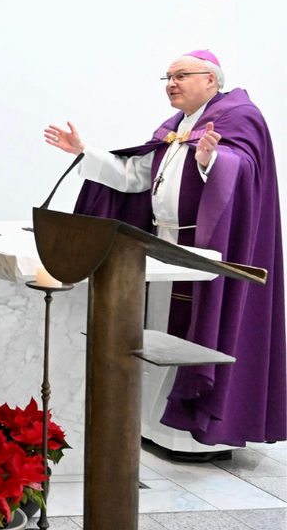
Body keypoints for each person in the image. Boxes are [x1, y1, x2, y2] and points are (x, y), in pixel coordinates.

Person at [44, 50, 284, 460]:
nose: (171, 83)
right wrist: (84, 154)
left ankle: (193, 436)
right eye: (168, 77)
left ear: (211, 80)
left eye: (181, 75)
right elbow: (136, 176)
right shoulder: (176, 127)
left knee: (194, 334)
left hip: (207, 249)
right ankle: (155, 427)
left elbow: (245, 171)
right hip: (162, 246)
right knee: (157, 334)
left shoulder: (240, 117)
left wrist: (213, 161)